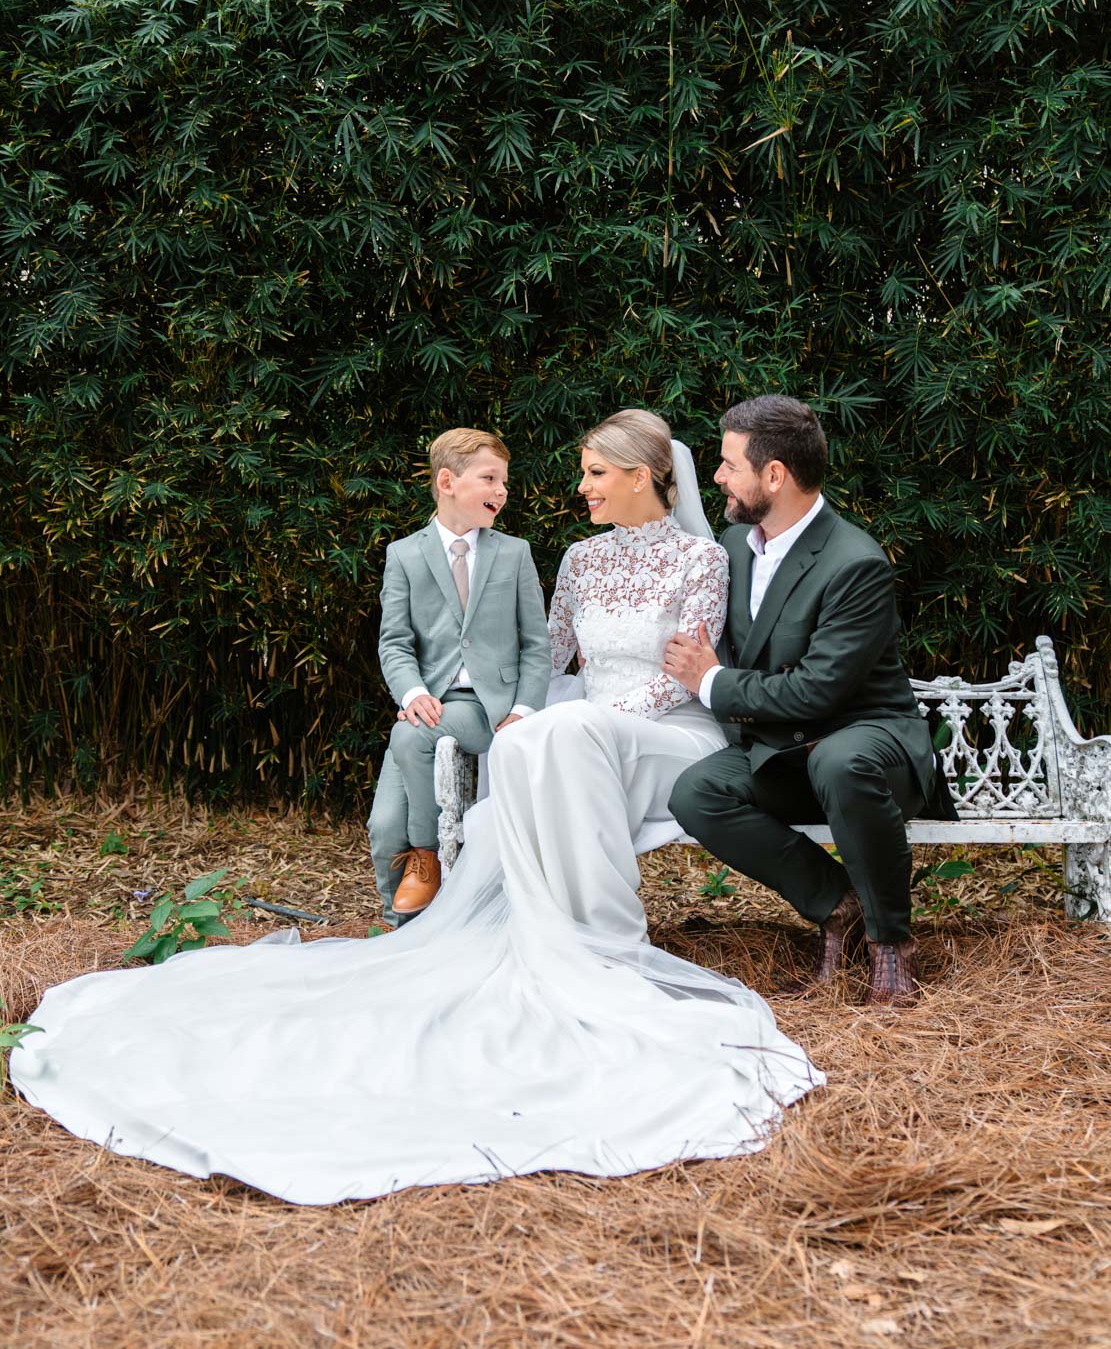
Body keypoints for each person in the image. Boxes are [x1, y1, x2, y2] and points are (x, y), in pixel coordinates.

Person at [11, 411, 820, 1207]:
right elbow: (550, 654)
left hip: (664, 735)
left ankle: (601, 940)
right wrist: (519, 711)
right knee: (530, 741)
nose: (580, 488)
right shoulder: (576, 558)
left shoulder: (698, 559)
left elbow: (683, 671)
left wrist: (583, 721)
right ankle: (563, 933)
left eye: (594, 474)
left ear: (642, 476)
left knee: (560, 735)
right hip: (577, 730)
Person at [664, 395, 945, 1006]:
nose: (717, 477)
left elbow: (819, 688)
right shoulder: (736, 547)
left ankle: (891, 940)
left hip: (871, 744)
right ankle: (836, 902)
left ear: (774, 475)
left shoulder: (855, 562)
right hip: (786, 747)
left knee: (840, 761)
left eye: (729, 465)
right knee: (697, 793)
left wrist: (709, 681)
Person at [370, 428, 550, 924]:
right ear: (447, 481)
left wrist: (523, 710)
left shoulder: (513, 554)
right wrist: (412, 691)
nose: (501, 490)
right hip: (425, 703)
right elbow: (395, 642)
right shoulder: (404, 555)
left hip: (483, 708)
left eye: (505, 481)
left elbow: (538, 643)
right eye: (489, 478)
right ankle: (402, 934)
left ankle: (426, 854)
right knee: (385, 826)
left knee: (412, 735)